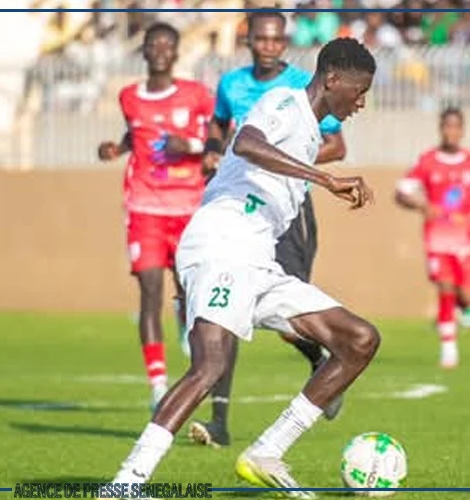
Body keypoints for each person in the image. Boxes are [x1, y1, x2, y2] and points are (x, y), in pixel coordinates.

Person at [108, 37, 378, 498]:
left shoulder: (312, 133)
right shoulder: (284, 102)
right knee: (210, 364)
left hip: (257, 259)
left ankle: (267, 450)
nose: (361, 102)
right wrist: (326, 179)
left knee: (359, 340)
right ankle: (125, 484)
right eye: (358, 90)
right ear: (332, 79)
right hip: (223, 243)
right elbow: (248, 143)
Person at [190, 11, 349, 449]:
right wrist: (211, 152)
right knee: (223, 311)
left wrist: (284, 161)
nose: (268, 46)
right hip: (238, 208)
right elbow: (222, 130)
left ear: (285, 42)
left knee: (286, 319)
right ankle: (219, 420)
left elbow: (335, 143)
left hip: (286, 210)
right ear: (249, 41)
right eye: (261, 38)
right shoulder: (231, 84)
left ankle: (322, 362)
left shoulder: (304, 84)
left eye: (276, 39)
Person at [97, 22, 214, 412]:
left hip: (189, 207)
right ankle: (158, 384)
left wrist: (190, 145)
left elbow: (217, 142)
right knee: (149, 292)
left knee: (187, 285)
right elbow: (137, 134)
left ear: (177, 51)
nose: (161, 49)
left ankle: (185, 318)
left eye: (168, 43)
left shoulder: (197, 95)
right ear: (144, 50)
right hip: (144, 207)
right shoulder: (129, 97)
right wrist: (117, 147)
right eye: (154, 43)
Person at [395, 107, 470, 369]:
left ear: (462, 129)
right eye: (447, 126)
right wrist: (420, 204)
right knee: (445, 288)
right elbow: (401, 192)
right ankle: (449, 349)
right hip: (437, 238)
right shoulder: (427, 161)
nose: (451, 131)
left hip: (466, 237)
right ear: (441, 128)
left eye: (456, 127)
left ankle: (465, 311)